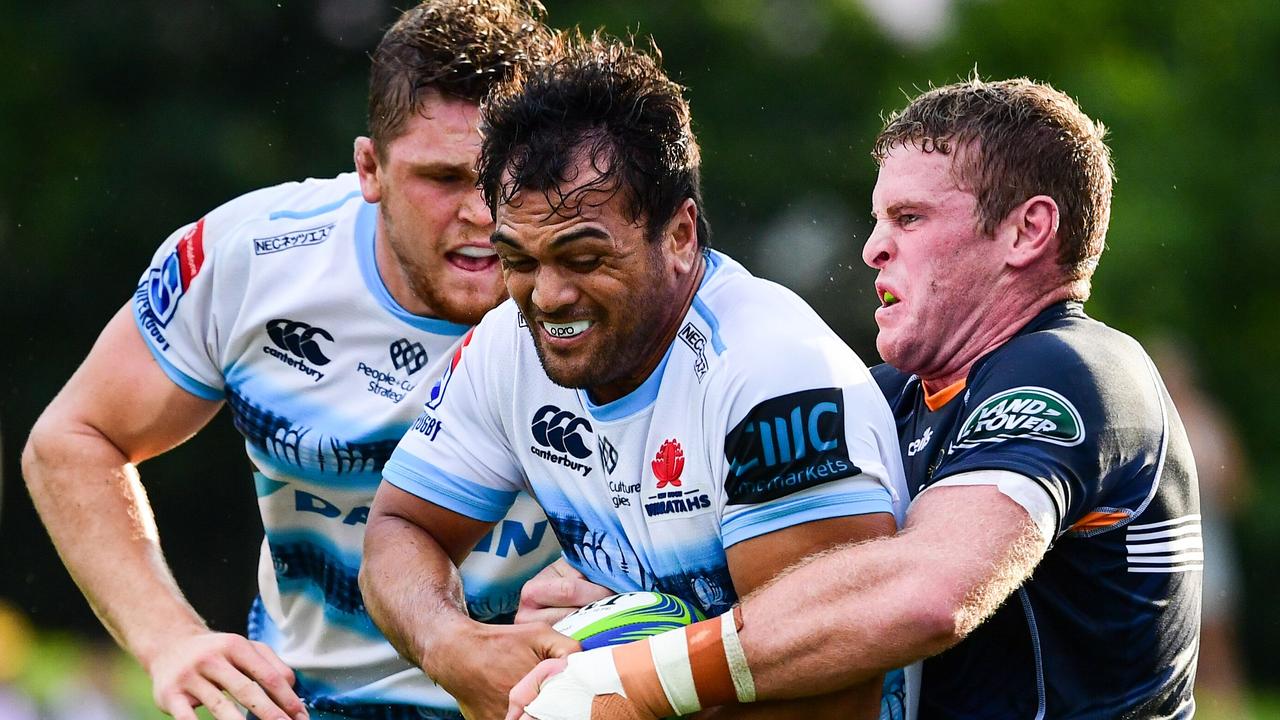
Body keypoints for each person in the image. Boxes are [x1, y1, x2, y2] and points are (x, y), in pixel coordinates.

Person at [510, 77, 1202, 720]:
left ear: (1027, 230)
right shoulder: (889, 395)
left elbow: (926, 594)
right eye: (878, 220)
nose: (873, 248)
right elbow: (775, 579)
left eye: (909, 218)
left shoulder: (1076, 369)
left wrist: (638, 677)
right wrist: (617, 592)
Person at [21, 3, 562, 719]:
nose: (482, 215)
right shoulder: (250, 259)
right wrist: (170, 640)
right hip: (307, 705)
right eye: (443, 178)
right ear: (369, 168)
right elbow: (72, 441)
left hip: (546, 700)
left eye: (507, 178)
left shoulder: (621, 290)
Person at [359, 31, 914, 720]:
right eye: (520, 260)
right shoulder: (509, 341)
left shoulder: (771, 380)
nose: (548, 296)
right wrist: (452, 646)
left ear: (680, 235)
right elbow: (401, 527)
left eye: (584, 257)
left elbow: (837, 686)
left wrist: (616, 692)